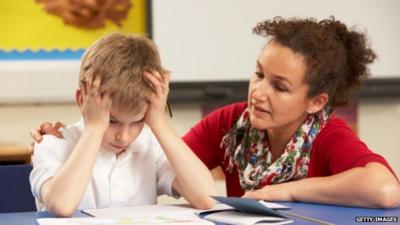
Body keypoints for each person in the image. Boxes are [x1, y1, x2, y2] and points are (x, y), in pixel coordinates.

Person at [31, 17, 400, 208]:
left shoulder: (327, 134)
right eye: (258, 74)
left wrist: (283, 192)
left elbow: (384, 188)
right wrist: (91, 130)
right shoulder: (230, 123)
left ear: (315, 101)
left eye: (279, 86)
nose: (258, 92)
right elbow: (177, 164)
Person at [29, 33, 216, 217]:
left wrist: (158, 122)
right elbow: (62, 205)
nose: (123, 136)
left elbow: (208, 199)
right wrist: (95, 128)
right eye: (111, 121)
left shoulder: (150, 146)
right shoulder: (53, 143)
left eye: (138, 121)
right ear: (82, 100)